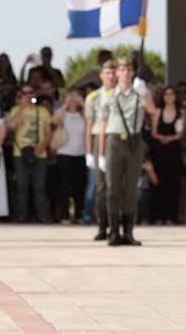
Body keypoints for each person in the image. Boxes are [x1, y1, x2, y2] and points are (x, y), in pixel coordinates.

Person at [97, 56, 156, 246]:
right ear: (117, 72)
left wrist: (144, 93)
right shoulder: (109, 95)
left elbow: (152, 110)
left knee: (131, 188)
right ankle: (114, 231)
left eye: (129, 69)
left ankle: (128, 232)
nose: (126, 73)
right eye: (122, 69)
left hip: (134, 141)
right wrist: (100, 154)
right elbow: (103, 124)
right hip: (114, 140)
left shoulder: (139, 92)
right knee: (113, 189)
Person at [8, 84, 52, 223]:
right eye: (24, 93)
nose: (28, 95)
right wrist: (22, 107)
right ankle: (22, 215)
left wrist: (42, 146)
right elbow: (11, 127)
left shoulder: (42, 111)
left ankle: (42, 215)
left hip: (40, 152)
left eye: (30, 93)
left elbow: (48, 132)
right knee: (22, 186)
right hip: (20, 152)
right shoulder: (15, 110)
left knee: (39, 186)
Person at [84, 60, 116, 239]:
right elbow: (89, 125)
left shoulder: (121, 95)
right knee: (101, 187)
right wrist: (89, 152)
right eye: (107, 73)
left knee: (116, 187)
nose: (110, 76)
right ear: (101, 75)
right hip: (98, 141)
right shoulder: (93, 97)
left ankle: (115, 226)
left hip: (116, 138)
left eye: (113, 73)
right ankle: (102, 226)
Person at [150, 86, 185, 224]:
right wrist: (161, 137)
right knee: (159, 183)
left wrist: (171, 138)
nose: (169, 97)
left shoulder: (180, 112)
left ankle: (172, 216)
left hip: (174, 151)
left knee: (174, 183)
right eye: (167, 94)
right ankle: (158, 216)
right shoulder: (158, 111)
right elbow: (153, 132)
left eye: (172, 94)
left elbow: (181, 133)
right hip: (159, 151)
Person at [51, 88, 87, 223]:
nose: (73, 98)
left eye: (76, 95)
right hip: (64, 154)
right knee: (64, 186)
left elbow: (91, 121)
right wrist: (65, 105)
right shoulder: (62, 114)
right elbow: (54, 121)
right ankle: (64, 215)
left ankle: (79, 215)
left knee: (79, 186)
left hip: (80, 153)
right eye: (70, 95)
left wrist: (83, 104)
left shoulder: (83, 114)